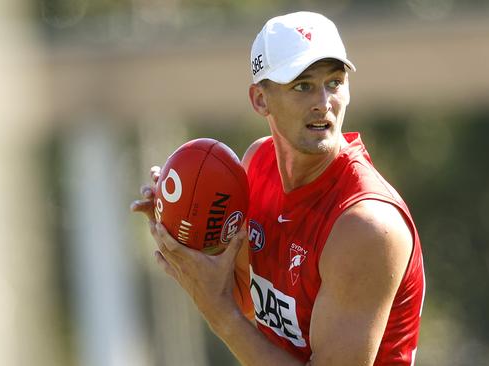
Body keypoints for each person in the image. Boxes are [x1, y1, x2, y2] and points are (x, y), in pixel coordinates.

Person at [131, 11, 425, 365]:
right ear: (260, 99)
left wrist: (220, 316)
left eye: (334, 82)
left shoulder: (365, 226)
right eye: (302, 85)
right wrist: (183, 224)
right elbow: (247, 299)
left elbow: (229, 312)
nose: (323, 102)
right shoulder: (256, 165)